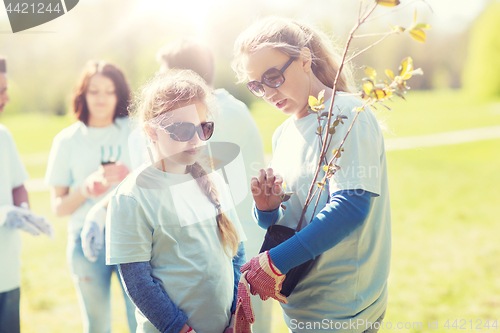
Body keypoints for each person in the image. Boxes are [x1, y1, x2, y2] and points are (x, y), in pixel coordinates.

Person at [231, 17, 391, 333]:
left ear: (305, 59)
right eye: (257, 85)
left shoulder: (345, 113)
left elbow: (350, 208)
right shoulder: (282, 133)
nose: (267, 92)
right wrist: (266, 209)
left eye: (273, 77)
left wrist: (273, 263)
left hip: (343, 311)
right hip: (303, 309)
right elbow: (284, 221)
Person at [105, 70, 247, 333]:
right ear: (152, 131)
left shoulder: (214, 181)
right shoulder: (131, 197)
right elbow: (138, 282)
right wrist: (180, 329)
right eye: (182, 130)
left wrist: (236, 316)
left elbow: (236, 254)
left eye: (204, 128)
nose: (196, 140)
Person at [156, 37, 273, 333]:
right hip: (229, 248)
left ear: (183, 77)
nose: (158, 80)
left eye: (163, 72)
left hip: (240, 255)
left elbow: (177, 183)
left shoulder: (217, 115)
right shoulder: (219, 109)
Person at [45, 60, 137, 333]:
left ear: (119, 94)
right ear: (82, 93)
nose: (101, 98)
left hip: (132, 238)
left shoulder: (136, 131)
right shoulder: (67, 140)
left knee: (142, 320)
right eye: (94, 91)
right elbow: (59, 207)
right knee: (96, 325)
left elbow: (156, 179)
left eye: (109, 91)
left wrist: (130, 175)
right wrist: (85, 188)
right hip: (86, 243)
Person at [0, 57, 54, 333]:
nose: (6, 98)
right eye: (0, 91)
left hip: (6, 272)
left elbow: (17, 184)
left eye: (5, 89)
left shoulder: (3, 135)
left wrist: (23, 211)